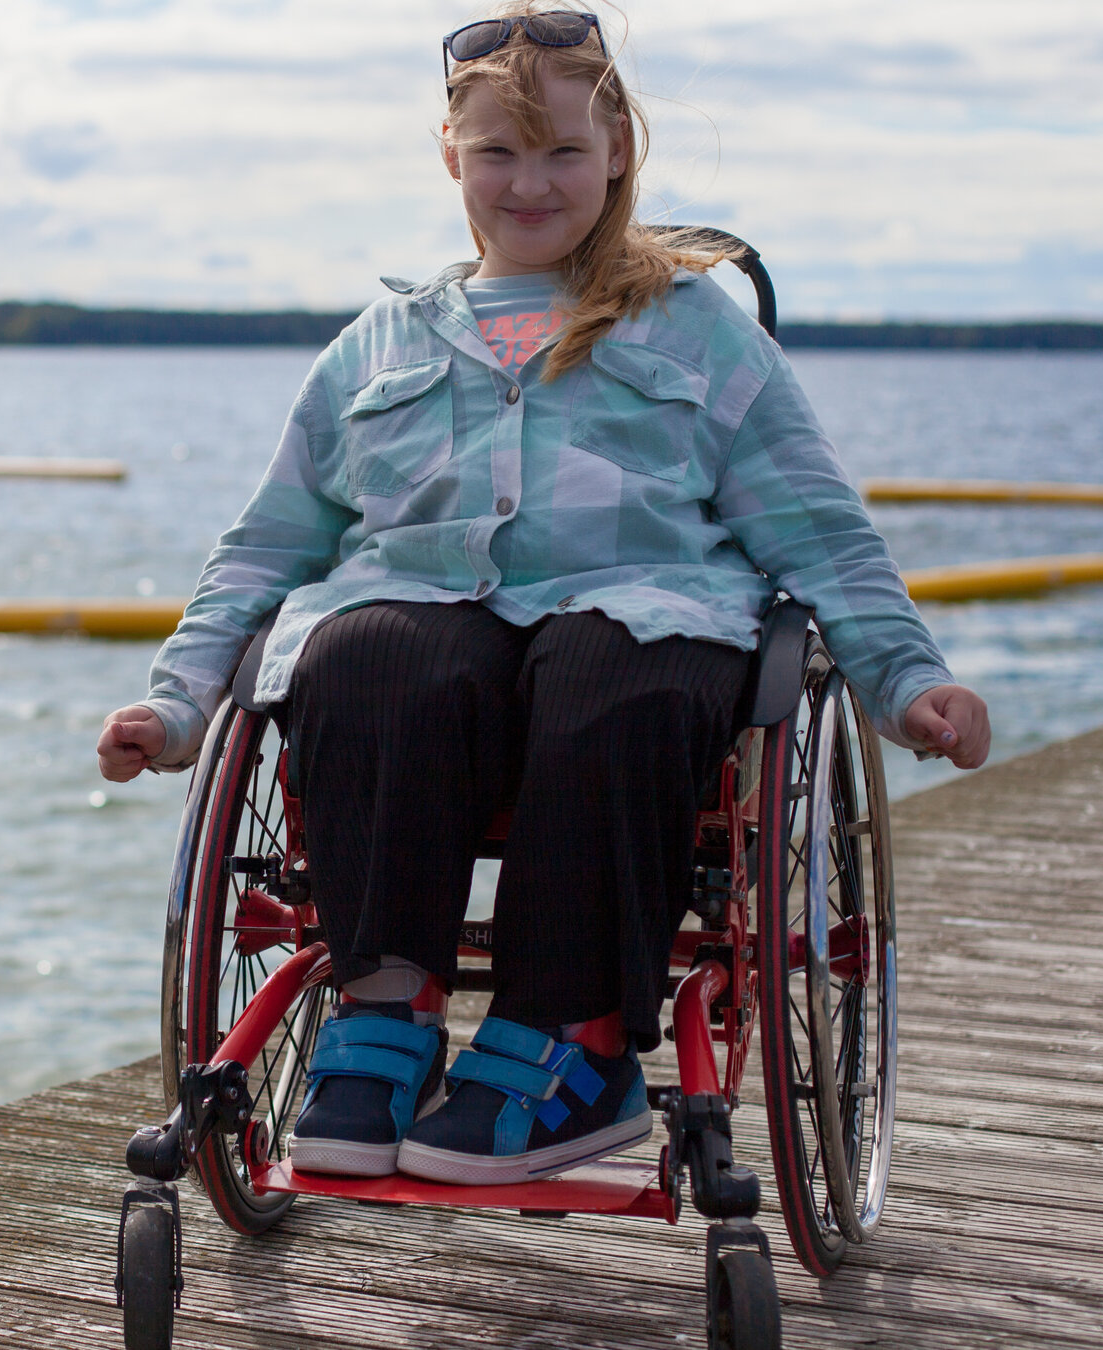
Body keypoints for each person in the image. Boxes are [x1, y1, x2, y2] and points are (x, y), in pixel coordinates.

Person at [94, 3, 989, 1188]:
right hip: (425, 624)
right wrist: (179, 703)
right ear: (450, 157)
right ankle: (384, 1015)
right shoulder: (376, 346)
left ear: (618, 151)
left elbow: (817, 531)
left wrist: (905, 679)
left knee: (609, 669)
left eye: (562, 150)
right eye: (498, 152)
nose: (530, 181)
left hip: (646, 620)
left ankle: (578, 1040)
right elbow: (266, 548)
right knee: (360, 656)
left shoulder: (697, 331)